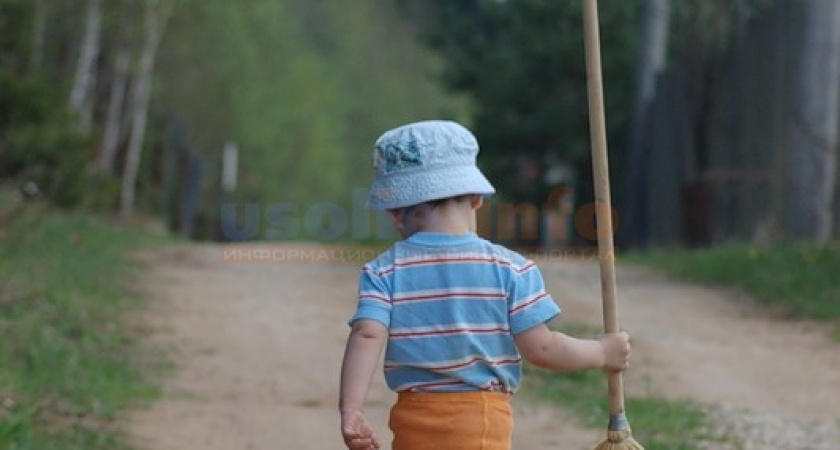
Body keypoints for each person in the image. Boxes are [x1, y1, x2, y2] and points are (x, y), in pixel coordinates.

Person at [339, 120, 630, 450]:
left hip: (412, 419)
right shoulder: (510, 268)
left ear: (395, 212)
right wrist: (603, 352)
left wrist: (351, 409)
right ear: (477, 198)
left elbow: (366, 333)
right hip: (478, 420)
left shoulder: (383, 270)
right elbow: (543, 349)